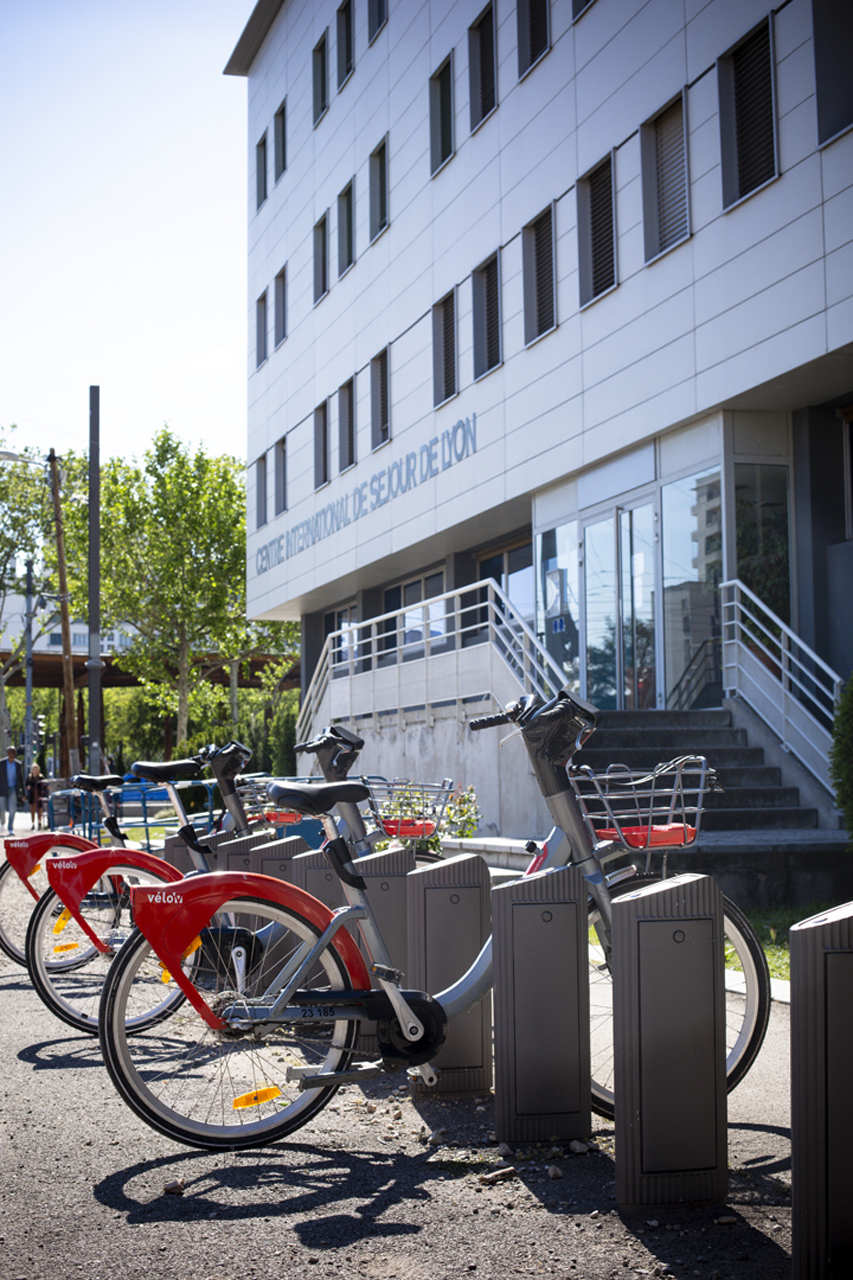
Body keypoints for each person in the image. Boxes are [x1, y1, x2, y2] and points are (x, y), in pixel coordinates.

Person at [0, 745, 24, 835]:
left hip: (13, 788)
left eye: (14, 752)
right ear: (7, 753)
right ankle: (2, 823)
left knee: (12, 809)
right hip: (2, 789)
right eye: (10, 752)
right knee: (2, 809)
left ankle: (10, 828)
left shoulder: (18, 764)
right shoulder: (1, 763)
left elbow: (20, 779)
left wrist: (23, 793)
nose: (12, 754)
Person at [25, 762, 44, 830]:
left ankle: (39, 822)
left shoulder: (41, 777)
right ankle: (33, 823)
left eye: (36, 769)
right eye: (33, 769)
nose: (34, 771)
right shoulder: (30, 778)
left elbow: (43, 787)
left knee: (39, 809)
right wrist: (28, 787)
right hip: (32, 796)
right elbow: (26, 784)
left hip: (38, 795)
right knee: (32, 810)